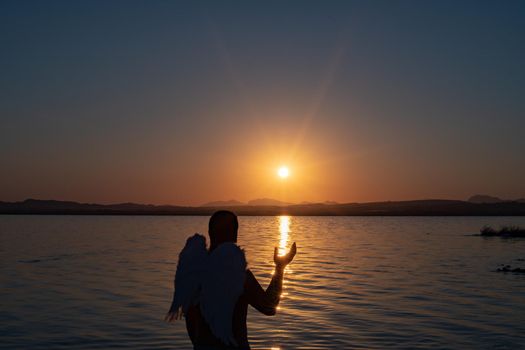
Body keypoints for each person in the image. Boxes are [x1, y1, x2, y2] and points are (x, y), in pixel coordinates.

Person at [165, 210, 297, 350]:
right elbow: (269, 307)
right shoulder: (239, 274)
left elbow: (191, 323)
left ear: (210, 233)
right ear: (235, 236)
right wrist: (280, 267)